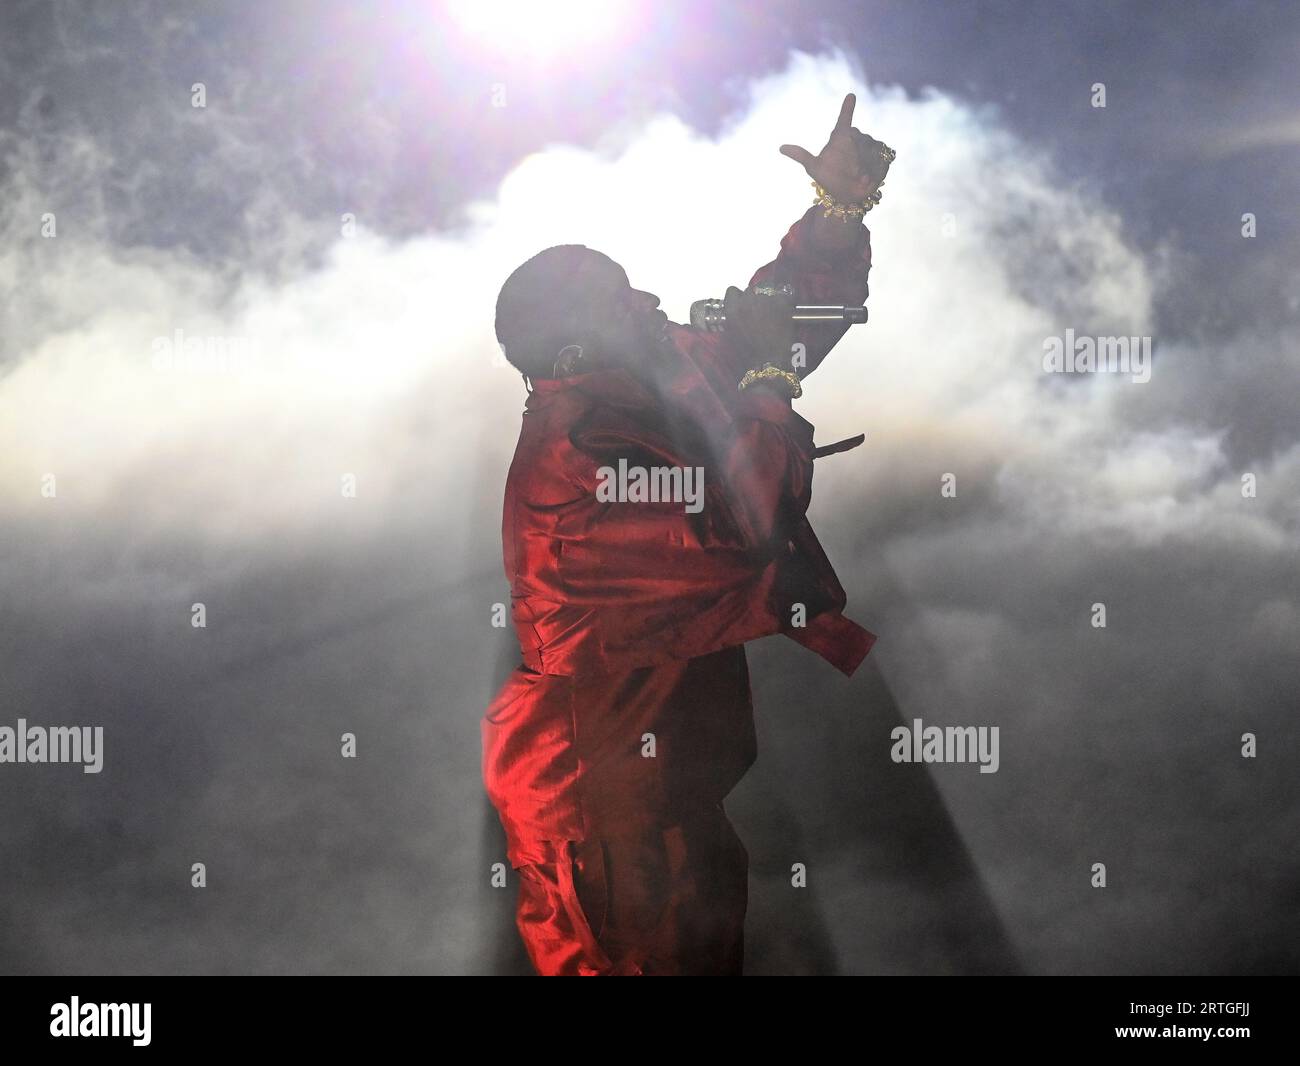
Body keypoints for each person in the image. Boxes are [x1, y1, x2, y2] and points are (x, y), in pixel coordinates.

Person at [482, 93, 892, 975]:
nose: (653, 302)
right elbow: (749, 514)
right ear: (572, 358)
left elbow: (765, 325)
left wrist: (835, 217)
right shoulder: (573, 459)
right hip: (601, 804)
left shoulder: (635, 374)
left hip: (667, 789)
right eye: (624, 301)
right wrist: (769, 383)